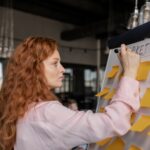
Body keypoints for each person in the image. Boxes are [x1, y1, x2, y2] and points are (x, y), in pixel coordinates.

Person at [0, 36, 140, 150]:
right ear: (33, 69)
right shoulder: (47, 113)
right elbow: (113, 122)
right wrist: (130, 73)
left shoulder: (22, 107)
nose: (62, 69)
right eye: (55, 63)